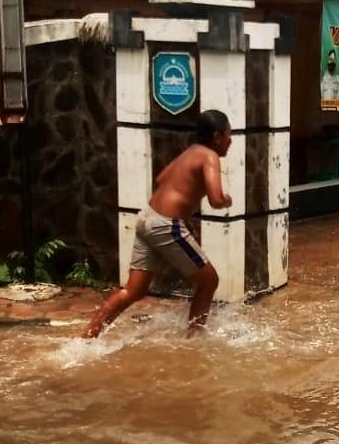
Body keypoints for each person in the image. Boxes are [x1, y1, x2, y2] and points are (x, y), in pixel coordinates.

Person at [84, 109, 233, 338]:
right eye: (228, 134)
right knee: (209, 280)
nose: (230, 141)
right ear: (216, 136)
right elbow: (215, 199)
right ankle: (195, 339)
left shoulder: (190, 152)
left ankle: (87, 337)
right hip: (165, 224)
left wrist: (183, 212)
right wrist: (226, 201)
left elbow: (161, 178)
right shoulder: (209, 156)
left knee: (133, 290)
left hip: (147, 217)